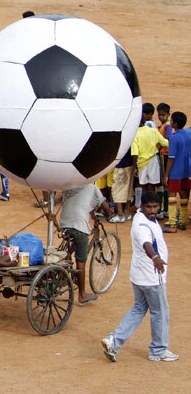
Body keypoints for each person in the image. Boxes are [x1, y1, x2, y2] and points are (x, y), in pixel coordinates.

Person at [101, 192, 178, 363]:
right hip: (151, 277)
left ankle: (113, 341)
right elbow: (146, 243)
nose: (152, 210)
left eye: (155, 207)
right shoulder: (143, 225)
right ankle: (158, 350)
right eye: (148, 207)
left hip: (138, 276)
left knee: (138, 309)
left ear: (159, 206)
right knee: (160, 312)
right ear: (142, 206)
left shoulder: (140, 218)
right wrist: (155, 258)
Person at [60, 183, 112, 304]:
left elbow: (79, 203)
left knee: (71, 247)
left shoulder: (69, 185)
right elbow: (105, 206)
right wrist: (108, 213)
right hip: (79, 225)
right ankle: (82, 295)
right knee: (81, 260)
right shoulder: (93, 187)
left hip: (64, 223)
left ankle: (69, 273)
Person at [162, 111, 190, 233]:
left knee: (172, 195)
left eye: (172, 120)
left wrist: (166, 175)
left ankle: (172, 224)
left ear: (176, 123)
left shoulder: (174, 138)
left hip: (176, 171)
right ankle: (183, 221)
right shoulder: (188, 134)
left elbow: (171, 158)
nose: (170, 122)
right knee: (184, 195)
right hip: (187, 169)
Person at [131, 114, 168, 193]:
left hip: (141, 163)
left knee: (143, 185)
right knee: (152, 185)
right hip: (153, 161)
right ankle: (152, 202)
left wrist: (135, 168)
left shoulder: (134, 135)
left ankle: (145, 203)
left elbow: (135, 154)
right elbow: (165, 143)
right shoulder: (153, 131)